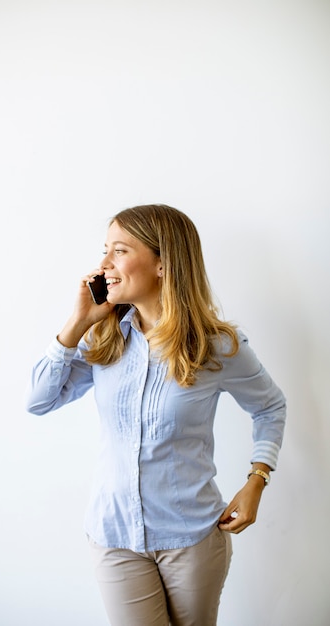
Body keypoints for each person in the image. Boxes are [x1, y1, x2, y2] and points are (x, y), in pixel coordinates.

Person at [26, 204, 286, 626]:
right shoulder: (103, 337)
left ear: (163, 263)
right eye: (104, 250)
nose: (104, 264)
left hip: (193, 538)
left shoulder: (216, 345)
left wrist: (258, 479)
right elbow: (38, 400)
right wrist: (77, 322)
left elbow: (270, 405)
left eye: (120, 251)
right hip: (114, 539)